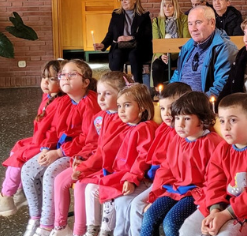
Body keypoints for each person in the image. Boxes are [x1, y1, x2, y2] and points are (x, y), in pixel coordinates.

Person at [179, 93, 247, 236]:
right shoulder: (223, 148)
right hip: (223, 204)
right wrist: (215, 211)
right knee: (187, 230)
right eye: (221, 121)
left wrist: (225, 215)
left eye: (232, 120)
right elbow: (214, 181)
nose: (225, 127)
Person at [19, 60, 100, 236]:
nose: (65, 78)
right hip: (60, 149)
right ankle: (36, 218)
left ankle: (53, 225)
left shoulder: (89, 103)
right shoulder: (65, 101)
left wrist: (59, 152)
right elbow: (55, 130)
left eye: (72, 74)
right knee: (27, 170)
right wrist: (46, 150)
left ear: (86, 82)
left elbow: (89, 139)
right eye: (63, 74)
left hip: (81, 153)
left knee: (50, 174)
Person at [0, 60, 65, 218]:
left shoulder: (62, 102)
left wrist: (45, 148)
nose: (45, 82)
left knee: (18, 158)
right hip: (41, 139)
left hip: (49, 144)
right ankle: (20, 192)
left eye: (52, 78)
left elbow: (56, 131)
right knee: (17, 147)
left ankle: (6, 197)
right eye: (43, 77)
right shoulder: (48, 96)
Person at [54, 71, 132, 236]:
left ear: (122, 95)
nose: (101, 98)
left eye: (107, 93)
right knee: (60, 179)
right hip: (94, 162)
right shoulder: (99, 118)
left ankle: (82, 231)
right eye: (99, 93)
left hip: (108, 166)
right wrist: (81, 158)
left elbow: (107, 152)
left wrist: (84, 168)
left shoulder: (123, 120)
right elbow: (92, 143)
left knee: (83, 184)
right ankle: (60, 227)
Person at [139, 92, 223, 236]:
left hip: (196, 193)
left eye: (187, 118)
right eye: (177, 118)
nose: (180, 124)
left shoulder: (212, 143)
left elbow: (215, 179)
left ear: (202, 120)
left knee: (171, 222)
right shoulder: (177, 140)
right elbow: (166, 169)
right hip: (174, 189)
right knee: (150, 216)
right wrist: (156, 195)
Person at [84, 83, 157, 236]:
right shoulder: (125, 125)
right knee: (91, 189)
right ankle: (96, 230)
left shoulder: (145, 128)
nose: (121, 110)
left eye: (127, 105)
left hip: (137, 178)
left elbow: (143, 158)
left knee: (122, 203)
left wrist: (131, 179)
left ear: (143, 106)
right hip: (120, 174)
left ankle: (114, 232)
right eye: (119, 106)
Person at [127, 83, 194, 236]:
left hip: (172, 185)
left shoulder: (182, 134)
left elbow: (168, 169)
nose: (166, 113)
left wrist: (154, 195)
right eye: (162, 109)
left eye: (171, 107)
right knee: (132, 204)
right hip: (160, 180)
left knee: (139, 206)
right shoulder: (164, 128)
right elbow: (152, 159)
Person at [170, 6, 239, 97]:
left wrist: (195, 104)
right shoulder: (187, 46)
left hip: (203, 107)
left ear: (212, 23)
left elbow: (221, 87)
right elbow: (177, 75)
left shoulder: (225, 48)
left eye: (198, 22)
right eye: (190, 24)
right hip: (181, 105)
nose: (193, 29)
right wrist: (169, 95)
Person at [94, 0, 153, 85]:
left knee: (134, 55)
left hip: (138, 47)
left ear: (134, 0)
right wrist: (103, 44)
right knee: (117, 54)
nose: (123, 2)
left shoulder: (144, 16)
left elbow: (148, 35)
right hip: (121, 46)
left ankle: (138, 84)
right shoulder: (116, 14)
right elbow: (110, 33)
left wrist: (131, 37)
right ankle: (116, 84)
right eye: (121, 0)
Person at [151, 0, 189, 85]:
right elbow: (156, 42)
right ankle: (158, 91)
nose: (167, 9)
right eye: (164, 6)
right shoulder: (156, 21)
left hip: (179, 54)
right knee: (156, 65)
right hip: (163, 54)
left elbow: (186, 40)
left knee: (185, 65)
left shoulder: (184, 19)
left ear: (175, 7)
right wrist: (161, 55)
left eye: (170, 6)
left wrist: (174, 51)